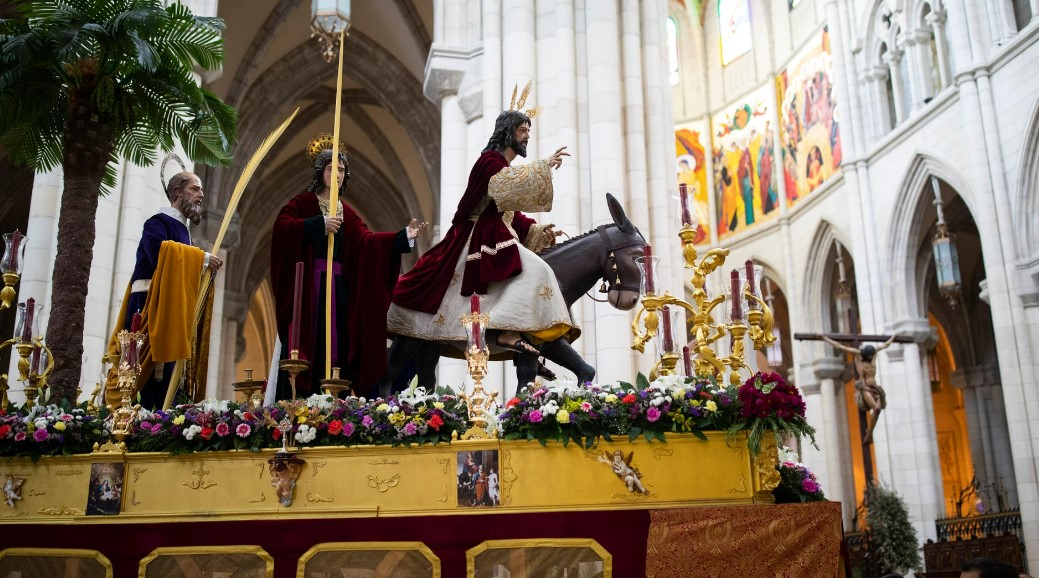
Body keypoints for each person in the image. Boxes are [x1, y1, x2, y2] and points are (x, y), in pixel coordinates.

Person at [388, 106, 576, 364]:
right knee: (538, 271)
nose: (526, 136)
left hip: (495, 235)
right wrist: (544, 166)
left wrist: (538, 231)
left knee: (527, 273)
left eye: (528, 132)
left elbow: (512, 215)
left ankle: (518, 338)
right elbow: (503, 185)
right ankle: (507, 333)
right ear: (507, 132)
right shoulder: (489, 161)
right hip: (478, 238)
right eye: (522, 131)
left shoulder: (503, 167)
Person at [270, 137, 425, 398]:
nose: (338, 174)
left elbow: (367, 242)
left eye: (341, 170)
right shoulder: (303, 203)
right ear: (320, 172)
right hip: (310, 293)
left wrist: (402, 237)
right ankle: (301, 402)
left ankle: (335, 402)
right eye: (332, 169)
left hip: (339, 294)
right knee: (311, 346)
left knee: (338, 347)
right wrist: (318, 224)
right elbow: (283, 229)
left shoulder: (347, 213)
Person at [105, 167, 223, 409]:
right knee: (141, 372)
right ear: (177, 192)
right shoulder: (157, 222)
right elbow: (157, 250)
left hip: (170, 307)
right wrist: (200, 258)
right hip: (149, 304)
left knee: (167, 376)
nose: (201, 195)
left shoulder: (184, 231)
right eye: (195, 189)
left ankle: (159, 419)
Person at [820, 334, 897, 444]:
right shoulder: (858, 356)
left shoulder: (873, 355)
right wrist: (824, 338)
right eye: (869, 356)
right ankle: (870, 434)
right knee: (876, 409)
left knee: (878, 411)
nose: (871, 358)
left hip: (875, 388)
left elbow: (885, 345)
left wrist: (893, 338)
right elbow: (839, 346)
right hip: (865, 388)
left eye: (872, 356)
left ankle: (870, 432)